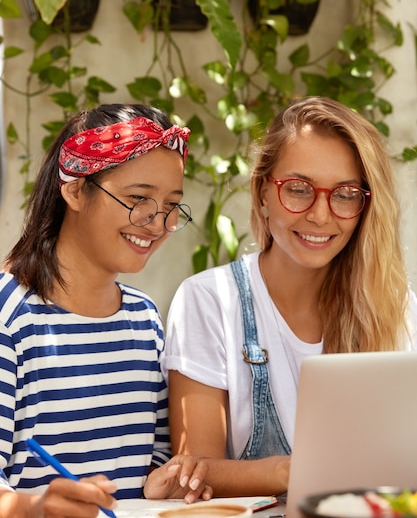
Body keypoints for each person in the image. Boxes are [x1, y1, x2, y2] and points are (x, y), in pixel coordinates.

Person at [162, 96, 417, 497]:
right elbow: (193, 476)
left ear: (367, 205)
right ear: (263, 192)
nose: (320, 214)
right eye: (298, 189)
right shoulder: (209, 300)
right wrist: (293, 471)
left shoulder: (394, 306)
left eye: (346, 193)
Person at [0, 103, 212, 518]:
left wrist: (156, 480)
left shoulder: (144, 320)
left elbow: (152, 456)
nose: (157, 223)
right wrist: (35, 507)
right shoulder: (10, 319)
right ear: (75, 189)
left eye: (171, 205)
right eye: (138, 199)